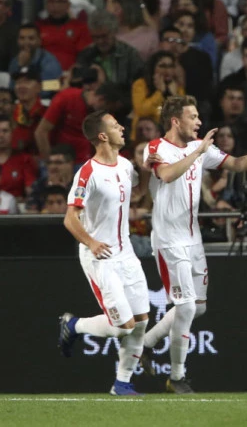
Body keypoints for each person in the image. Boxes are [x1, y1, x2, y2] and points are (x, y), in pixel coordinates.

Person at [140, 95, 247, 393]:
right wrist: (198, 153)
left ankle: (145, 342)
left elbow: (237, 163)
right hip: (169, 240)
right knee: (184, 307)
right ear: (175, 121)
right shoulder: (156, 148)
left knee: (198, 308)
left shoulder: (199, 147)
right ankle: (177, 377)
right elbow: (166, 174)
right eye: (193, 117)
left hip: (193, 238)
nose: (198, 122)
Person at [57, 110, 150, 396]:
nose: (122, 128)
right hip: (100, 256)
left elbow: (136, 193)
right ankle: (74, 325)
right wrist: (91, 242)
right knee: (123, 327)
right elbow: (70, 218)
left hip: (126, 252)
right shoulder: (88, 173)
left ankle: (122, 383)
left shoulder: (125, 165)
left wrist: (147, 171)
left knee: (141, 322)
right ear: (102, 136)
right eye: (115, 125)